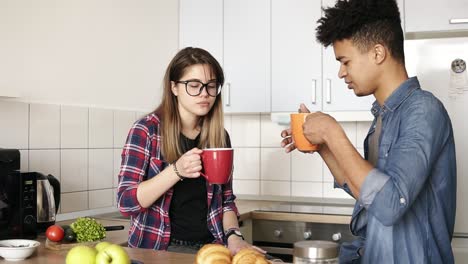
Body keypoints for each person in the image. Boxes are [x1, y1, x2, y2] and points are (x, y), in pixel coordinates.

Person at [281, 0, 456, 263]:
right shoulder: (383, 116)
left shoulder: (423, 111)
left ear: (377, 53)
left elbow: (389, 203)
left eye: (345, 61)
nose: (341, 73)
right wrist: (322, 147)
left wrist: (332, 132)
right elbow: (366, 192)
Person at [117, 47, 257, 255]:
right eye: (194, 85)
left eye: (211, 86)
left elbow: (226, 201)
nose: (204, 94)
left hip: (212, 248)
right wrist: (175, 171)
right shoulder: (147, 130)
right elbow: (126, 202)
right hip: (161, 250)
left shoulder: (219, 136)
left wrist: (234, 236)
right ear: (174, 87)